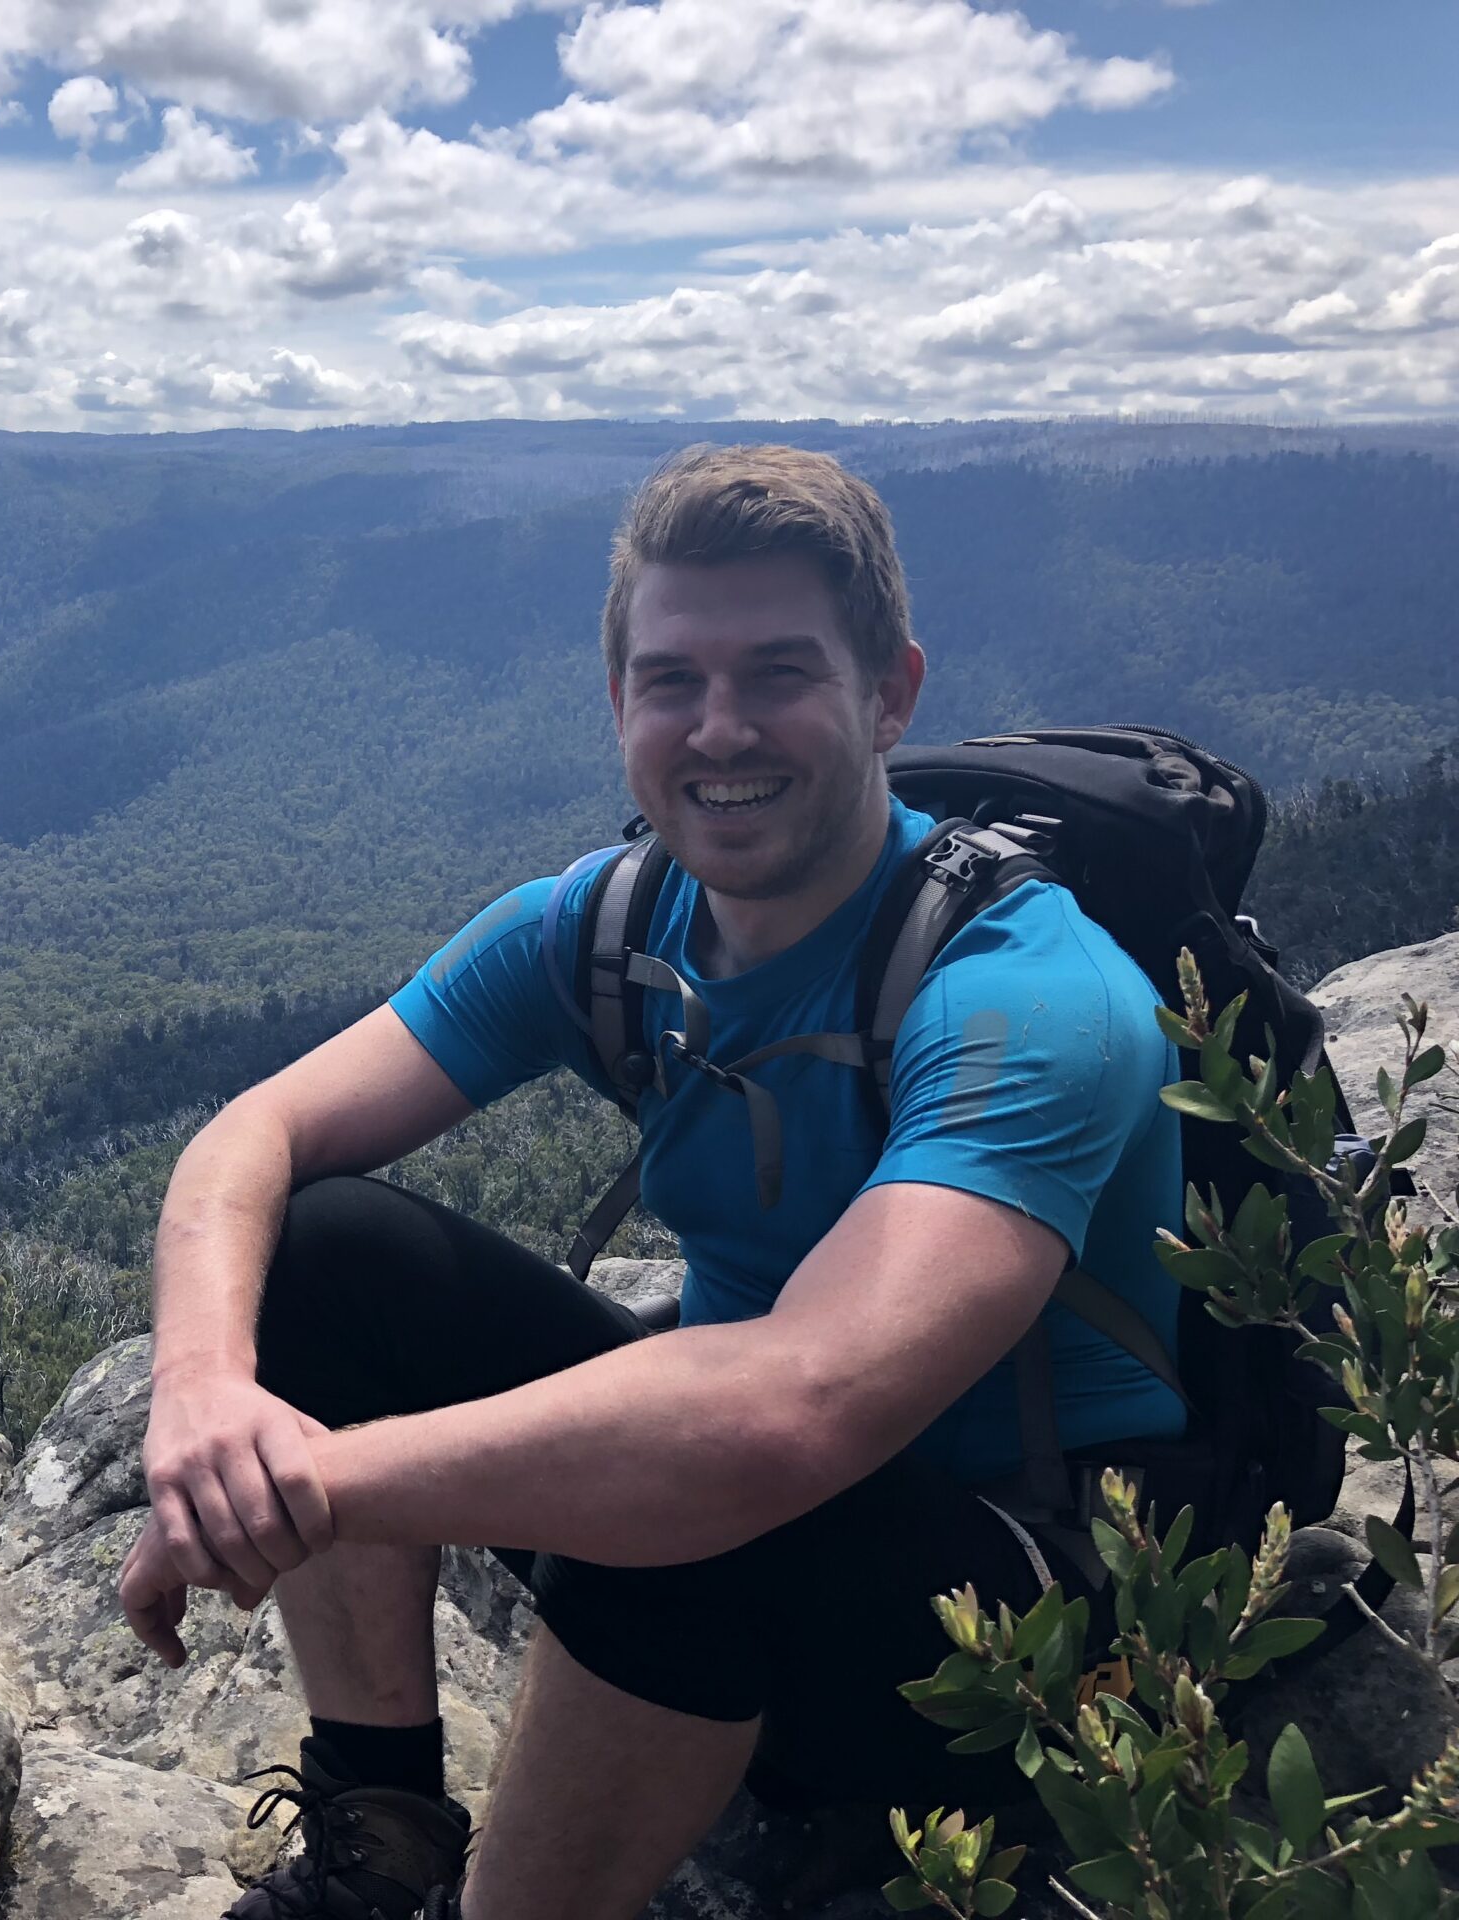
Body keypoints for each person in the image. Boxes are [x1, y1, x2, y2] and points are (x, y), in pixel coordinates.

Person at [117, 444, 1191, 1920]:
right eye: (673, 679)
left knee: (668, 1489)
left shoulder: (1026, 999)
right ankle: (384, 1849)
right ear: (619, 703)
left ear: (892, 692)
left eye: (779, 672)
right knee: (327, 1252)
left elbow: (783, 1419)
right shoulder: (610, 927)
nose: (719, 726)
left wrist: (301, 1489)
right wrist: (201, 1406)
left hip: (1035, 1630)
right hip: (763, 1523)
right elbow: (253, 1140)